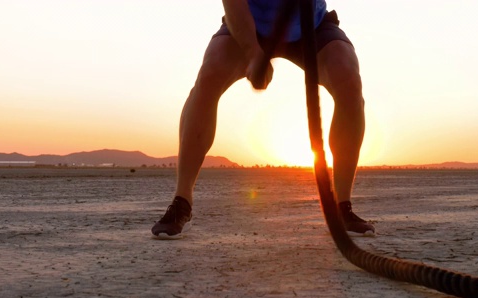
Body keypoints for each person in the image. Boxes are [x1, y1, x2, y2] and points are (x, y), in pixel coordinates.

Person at [152, 0, 375, 239]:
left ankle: (342, 207)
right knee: (209, 75)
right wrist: (252, 52)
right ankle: (182, 200)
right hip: (249, 25)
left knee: (349, 80)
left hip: (312, 25)